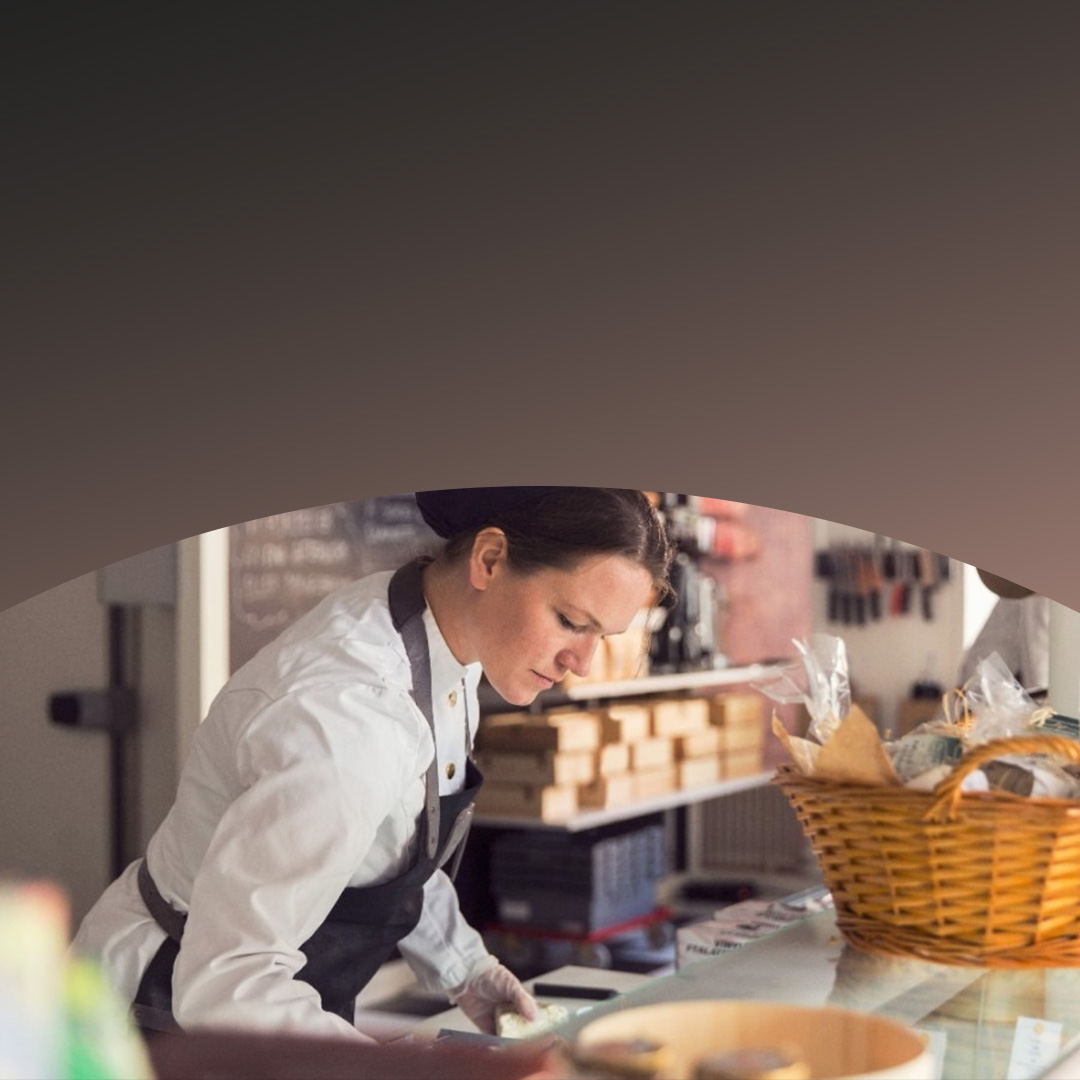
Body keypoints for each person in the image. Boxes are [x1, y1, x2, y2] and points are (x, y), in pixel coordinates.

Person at [71, 486, 674, 1042]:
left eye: (603, 635)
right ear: (489, 560)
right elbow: (227, 981)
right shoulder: (350, 718)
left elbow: (393, 844)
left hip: (259, 1001)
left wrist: (466, 969)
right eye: (570, 622)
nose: (584, 662)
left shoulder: (438, 637)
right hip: (161, 1009)